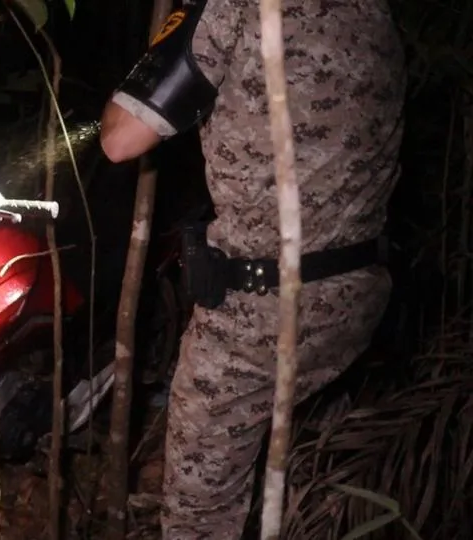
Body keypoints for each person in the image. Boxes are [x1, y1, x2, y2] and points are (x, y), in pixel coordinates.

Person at [98, 0, 406, 538]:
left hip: (263, 314)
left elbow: (121, 139)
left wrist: (163, 51)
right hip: (358, 296)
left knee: (200, 515)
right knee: (295, 478)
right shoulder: (374, 12)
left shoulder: (233, 7)